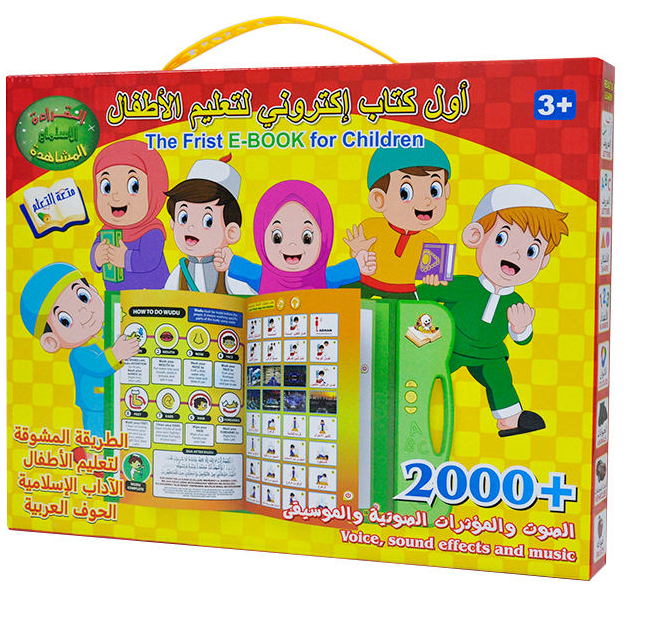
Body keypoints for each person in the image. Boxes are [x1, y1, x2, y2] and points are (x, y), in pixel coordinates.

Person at [418, 185, 568, 437]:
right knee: (428, 370)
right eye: (502, 239)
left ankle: (511, 419)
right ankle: (412, 401)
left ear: (543, 261)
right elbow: (423, 294)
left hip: (490, 353)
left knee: (500, 378)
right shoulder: (465, 285)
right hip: (451, 344)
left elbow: (523, 339)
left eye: (531, 251)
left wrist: (521, 328)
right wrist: (430, 283)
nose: (517, 255)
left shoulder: (516, 301)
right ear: (475, 236)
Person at [20, 263, 140, 448]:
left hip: (120, 398)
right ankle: (94, 455)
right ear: (51, 341)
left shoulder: (108, 330)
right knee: (99, 438)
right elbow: (98, 365)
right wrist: (117, 353)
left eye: (83, 297)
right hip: (96, 406)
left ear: (93, 290)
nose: (84, 313)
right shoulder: (79, 354)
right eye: (65, 320)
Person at [214, 180, 376, 293]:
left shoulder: (324, 278)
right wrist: (229, 260)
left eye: (307, 238)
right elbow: (245, 268)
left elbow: (340, 272)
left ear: (324, 238)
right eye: (277, 237)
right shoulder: (262, 277)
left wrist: (359, 264)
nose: (292, 246)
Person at [345, 141, 452, 296]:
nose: (426, 201)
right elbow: (358, 256)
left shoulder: (432, 241)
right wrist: (358, 252)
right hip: (365, 284)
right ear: (379, 199)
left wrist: (434, 277)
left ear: (446, 191)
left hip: (404, 291)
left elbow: (436, 275)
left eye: (434, 190)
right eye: (405, 193)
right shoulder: (371, 226)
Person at [164, 154, 255, 294]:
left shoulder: (229, 272)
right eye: (184, 218)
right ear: (173, 223)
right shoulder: (180, 271)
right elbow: (166, 298)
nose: (191, 227)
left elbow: (248, 298)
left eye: (208, 221)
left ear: (231, 232)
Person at [90, 140, 170, 290]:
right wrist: (96, 256)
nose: (115, 196)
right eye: (106, 187)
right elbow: (96, 253)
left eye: (133, 186)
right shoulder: (106, 233)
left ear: (153, 189)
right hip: (117, 295)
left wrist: (125, 258)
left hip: (153, 295)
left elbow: (149, 260)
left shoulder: (152, 231)